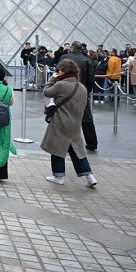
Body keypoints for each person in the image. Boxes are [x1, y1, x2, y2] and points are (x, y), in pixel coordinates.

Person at [40, 59, 98, 187]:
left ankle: (58, 176)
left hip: (60, 122)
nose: (58, 72)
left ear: (64, 71)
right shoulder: (82, 87)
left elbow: (46, 92)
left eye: (59, 70)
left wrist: (52, 79)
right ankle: (89, 176)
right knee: (77, 150)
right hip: (75, 123)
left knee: (57, 148)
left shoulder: (61, 85)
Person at [59, 41, 97, 151]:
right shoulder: (87, 60)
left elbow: (58, 73)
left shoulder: (64, 57)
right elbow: (91, 79)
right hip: (81, 91)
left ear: (72, 48)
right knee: (87, 118)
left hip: (65, 90)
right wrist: (87, 91)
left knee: (64, 116)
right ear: (81, 49)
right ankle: (92, 143)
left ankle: (63, 142)